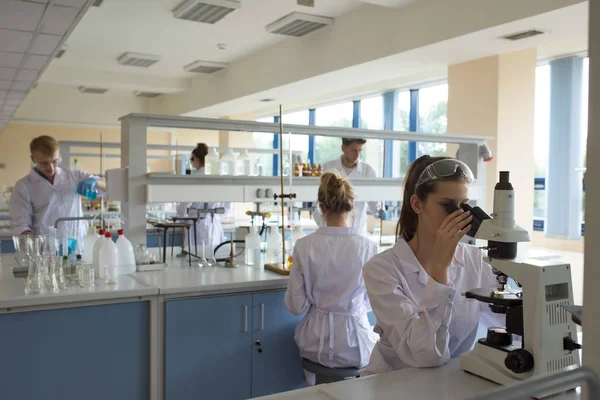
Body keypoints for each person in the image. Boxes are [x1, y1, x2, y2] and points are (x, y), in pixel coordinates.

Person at [361, 155, 503, 375]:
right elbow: (424, 354)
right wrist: (440, 270)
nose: (458, 214)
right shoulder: (381, 269)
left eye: (463, 205)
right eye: (447, 205)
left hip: (448, 383)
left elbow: (507, 318)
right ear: (417, 204)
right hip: (392, 385)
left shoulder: (474, 260)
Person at [285, 172, 379, 385]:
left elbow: (296, 306)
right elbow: (371, 303)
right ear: (351, 206)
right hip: (356, 345)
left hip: (314, 344)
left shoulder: (304, 246)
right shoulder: (369, 247)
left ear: (321, 207)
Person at [10, 135, 105, 246]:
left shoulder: (73, 176)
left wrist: (95, 181)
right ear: (33, 159)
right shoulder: (24, 186)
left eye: (55, 161)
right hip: (47, 249)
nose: (51, 168)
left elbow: (109, 186)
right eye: (44, 163)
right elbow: (21, 225)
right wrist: (33, 246)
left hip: (78, 245)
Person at [313, 138, 378, 234]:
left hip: (358, 231)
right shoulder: (328, 167)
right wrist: (324, 227)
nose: (357, 154)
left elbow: (374, 202)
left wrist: (379, 211)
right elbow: (318, 202)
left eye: (360, 150)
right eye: (354, 150)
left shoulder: (368, 171)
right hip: (330, 231)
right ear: (343, 148)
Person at [176, 143, 230, 253]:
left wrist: (182, 218)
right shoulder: (220, 177)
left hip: (196, 224)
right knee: (215, 257)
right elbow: (227, 204)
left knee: (196, 260)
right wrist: (217, 217)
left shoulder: (193, 179)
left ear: (196, 159)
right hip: (214, 223)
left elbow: (184, 205)